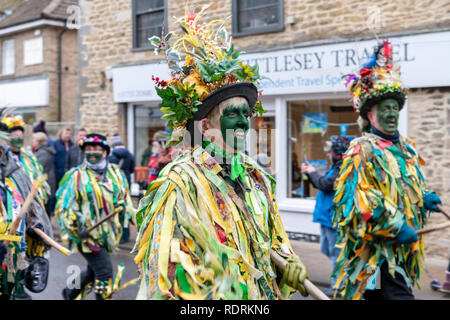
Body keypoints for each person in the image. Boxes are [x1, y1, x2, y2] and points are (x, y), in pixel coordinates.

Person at [132, 8, 309, 300]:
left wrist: (287, 260)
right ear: (206, 125)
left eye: (245, 113)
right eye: (232, 114)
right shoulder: (180, 182)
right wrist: (224, 287)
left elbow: (264, 242)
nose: (243, 121)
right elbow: (164, 271)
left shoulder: (255, 178)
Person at [333, 39, 443, 300]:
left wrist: (424, 197)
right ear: (370, 115)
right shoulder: (362, 150)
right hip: (375, 257)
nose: (392, 114)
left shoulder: (406, 148)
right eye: (385, 109)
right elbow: (361, 203)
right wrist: (395, 227)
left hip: (403, 253)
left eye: (395, 108)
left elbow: (409, 184)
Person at [56, 133, 135, 300]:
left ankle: (70, 292)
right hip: (87, 236)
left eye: (96, 149)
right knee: (105, 273)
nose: (92, 152)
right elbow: (63, 205)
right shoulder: (76, 175)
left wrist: (123, 208)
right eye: (88, 149)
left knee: (94, 270)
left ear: (105, 152)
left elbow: (124, 198)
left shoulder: (116, 173)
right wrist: (76, 227)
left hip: (107, 234)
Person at [0, 110, 53, 300]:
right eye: (12, 134)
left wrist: (35, 210)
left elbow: (38, 186)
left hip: (18, 233)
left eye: (19, 134)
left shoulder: (26, 161)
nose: (16, 138)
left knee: (15, 281)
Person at [301, 135, 353, 297]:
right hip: (326, 218)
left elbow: (324, 184)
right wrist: (311, 174)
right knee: (328, 250)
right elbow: (322, 183)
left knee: (337, 256)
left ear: (337, 153)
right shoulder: (336, 166)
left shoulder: (342, 169)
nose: (327, 154)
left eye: (330, 151)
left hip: (334, 220)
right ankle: (346, 278)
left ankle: (339, 286)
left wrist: (312, 172)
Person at [1, 115, 50, 208]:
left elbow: (38, 176)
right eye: (15, 135)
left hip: (31, 202)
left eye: (20, 135)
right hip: (13, 204)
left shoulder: (29, 157)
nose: (19, 138)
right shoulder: (4, 158)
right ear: (7, 138)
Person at [108, 133, 135, 244]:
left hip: (115, 185)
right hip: (126, 184)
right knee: (126, 209)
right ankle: (126, 234)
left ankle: (117, 234)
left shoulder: (111, 155)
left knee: (115, 209)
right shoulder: (129, 154)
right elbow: (132, 169)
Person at [32, 132, 57, 218]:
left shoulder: (43, 153)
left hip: (46, 185)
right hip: (45, 183)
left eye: (33, 139)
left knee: (45, 212)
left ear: (38, 141)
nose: (32, 141)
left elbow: (37, 167)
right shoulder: (40, 151)